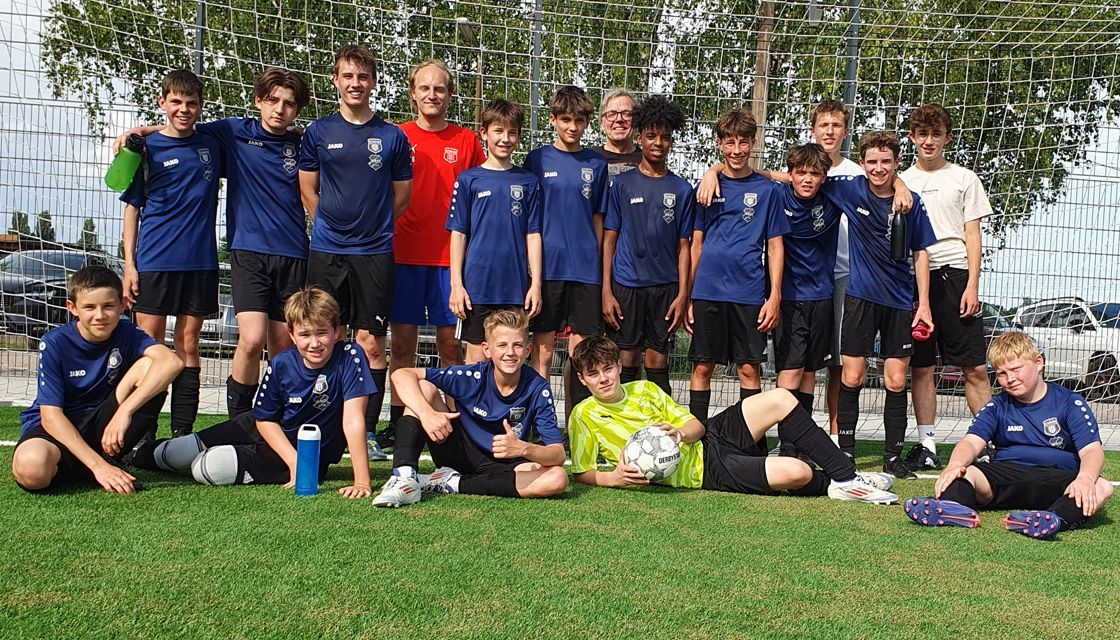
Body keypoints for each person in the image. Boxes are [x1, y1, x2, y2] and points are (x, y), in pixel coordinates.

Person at [115, 67, 312, 420]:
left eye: (289, 103)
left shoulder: (302, 143)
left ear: (297, 110)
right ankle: (233, 420)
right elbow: (180, 128)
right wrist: (139, 131)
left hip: (291, 252)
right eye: (273, 100)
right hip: (243, 252)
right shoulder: (233, 132)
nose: (280, 109)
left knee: (282, 345)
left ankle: (275, 421)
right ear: (258, 101)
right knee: (248, 340)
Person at [568, 336, 898, 504]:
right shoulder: (583, 416)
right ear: (583, 379)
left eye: (608, 369)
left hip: (711, 436)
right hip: (704, 473)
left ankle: (848, 478)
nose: (603, 379)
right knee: (797, 471)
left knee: (782, 397)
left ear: (618, 366)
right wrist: (614, 479)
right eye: (593, 374)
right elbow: (582, 472)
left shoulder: (645, 389)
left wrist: (681, 434)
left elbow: (697, 426)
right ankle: (834, 486)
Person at [129, 287, 375, 497]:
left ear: (336, 331)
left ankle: (229, 457)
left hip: (306, 452)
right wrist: (293, 462)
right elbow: (265, 419)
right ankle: (134, 456)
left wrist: (362, 482)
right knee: (176, 453)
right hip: (263, 426)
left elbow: (353, 420)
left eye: (322, 333)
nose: (314, 343)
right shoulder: (282, 363)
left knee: (208, 468)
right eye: (304, 334)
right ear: (291, 335)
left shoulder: (350, 357)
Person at [298, 44, 413, 447]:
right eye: (347, 76)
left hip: (375, 253)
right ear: (336, 80)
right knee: (323, 337)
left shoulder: (392, 136)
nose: (355, 83)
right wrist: (331, 226)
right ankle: (324, 424)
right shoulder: (317, 132)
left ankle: (365, 432)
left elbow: (403, 197)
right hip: (327, 251)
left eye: (363, 76)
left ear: (374, 83)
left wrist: (372, 226)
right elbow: (308, 190)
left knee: (371, 344)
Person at [904, 331, 1113, 539]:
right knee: (964, 473)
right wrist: (954, 465)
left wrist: (1085, 478)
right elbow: (970, 442)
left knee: (1101, 487)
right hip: (1006, 475)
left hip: (1057, 478)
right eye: (1001, 373)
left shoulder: (1070, 402)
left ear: (1039, 363)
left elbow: (1091, 450)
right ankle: (952, 509)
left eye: (1016, 369)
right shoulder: (997, 406)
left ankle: (1052, 519)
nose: (1010, 379)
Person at [10, 266, 183, 493]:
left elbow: (172, 362)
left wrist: (124, 412)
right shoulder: (54, 343)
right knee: (32, 471)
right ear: (72, 308)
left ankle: (93, 463)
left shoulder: (127, 332)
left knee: (151, 365)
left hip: (104, 425)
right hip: (59, 428)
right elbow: (51, 417)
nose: (100, 315)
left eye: (108, 306)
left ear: (122, 305)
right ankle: (93, 467)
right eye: (90, 307)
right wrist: (98, 466)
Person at [823, 131, 937, 478]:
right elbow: (801, 177)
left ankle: (892, 457)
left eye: (886, 161)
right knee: (852, 376)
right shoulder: (850, 189)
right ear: (862, 163)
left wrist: (923, 304)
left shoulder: (911, 202)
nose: (878, 168)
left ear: (896, 163)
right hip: (860, 299)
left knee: (897, 381)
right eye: (872, 161)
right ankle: (846, 453)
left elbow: (920, 253)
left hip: (899, 302)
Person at [385, 59, 486, 449]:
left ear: (450, 94)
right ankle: (400, 424)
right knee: (403, 346)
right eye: (424, 88)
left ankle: (455, 421)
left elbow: (481, 194)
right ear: (413, 93)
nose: (432, 95)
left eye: (439, 88)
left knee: (450, 346)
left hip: (450, 261)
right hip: (404, 255)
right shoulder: (397, 136)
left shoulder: (467, 141)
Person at [372, 308, 568, 507]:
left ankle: (452, 483)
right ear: (487, 350)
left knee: (557, 478)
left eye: (517, 345)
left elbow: (558, 454)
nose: (510, 352)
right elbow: (401, 375)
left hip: (506, 462)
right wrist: (427, 414)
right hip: (458, 452)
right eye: (502, 345)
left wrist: (523, 448)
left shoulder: (537, 387)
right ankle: (404, 479)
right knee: (424, 388)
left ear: (527, 350)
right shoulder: (472, 376)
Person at [120, 69, 221, 439]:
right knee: (151, 348)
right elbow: (131, 209)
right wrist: (130, 265)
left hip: (200, 263)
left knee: (188, 345)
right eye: (175, 101)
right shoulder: (145, 149)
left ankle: (182, 434)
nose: (183, 109)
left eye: (191, 103)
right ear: (162, 102)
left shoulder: (212, 144)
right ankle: (141, 433)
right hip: (155, 262)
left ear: (201, 106)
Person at [901, 103, 994, 471]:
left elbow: (973, 235)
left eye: (935, 134)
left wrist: (972, 285)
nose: (929, 141)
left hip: (955, 277)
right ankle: (927, 445)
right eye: (922, 134)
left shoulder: (965, 178)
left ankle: (987, 443)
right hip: (915, 282)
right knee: (922, 367)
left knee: (975, 368)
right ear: (912, 137)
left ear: (947, 138)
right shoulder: (902, 180)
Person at [687, 109, 787, 425]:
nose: (736, 150)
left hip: (748, 292)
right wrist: (688, 296)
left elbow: (775, 246)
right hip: (708, 291)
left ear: (753, 143)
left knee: (748, 368)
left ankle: (749, 439)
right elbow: (696, 245)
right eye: (729, 142)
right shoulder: (706, 189)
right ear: (720, 143)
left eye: (743, 142)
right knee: (703, 366)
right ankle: (698, 438)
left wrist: (774, 296)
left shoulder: (768, 191)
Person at [524, 85, 609, 422]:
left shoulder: (596, 164)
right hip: (548, 269)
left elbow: (598, 218)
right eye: (566, 120)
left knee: (581, 354)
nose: (573, 127)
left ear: (587, 123)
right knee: (543, 352)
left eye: (579, 121)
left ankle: (578, 426)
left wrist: (597, 263)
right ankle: (542, 424)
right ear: (553, 119)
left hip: (585, 271)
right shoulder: (537, 160)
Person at [601, 95, 693, 399]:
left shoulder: (682, 189)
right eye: (651, 136)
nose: (658, 143)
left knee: (657, 360)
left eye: (665, 137)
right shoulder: (622, 184)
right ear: (639, 138)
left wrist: (683, 294)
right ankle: (623, 421)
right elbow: (610, 239)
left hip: (665, 288)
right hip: (626, 285)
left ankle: (661, 421)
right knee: (625, 359)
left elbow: (684, 246)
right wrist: (606, 291)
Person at [447, 99, 543, 364]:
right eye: (498, 131)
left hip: (514, 288)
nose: (505, 139)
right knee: (476, 361)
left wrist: (536, 284)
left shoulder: (528, 181)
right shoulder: (469, 180)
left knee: (510, 360)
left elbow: (533, 235)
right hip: (477, 288)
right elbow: (458, 234)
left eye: (512, 132)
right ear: (484, 133)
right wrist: (457, 285)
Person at [771, 143, 842, 458]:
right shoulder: (777, 195)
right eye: (801, 173)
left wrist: (901, 186)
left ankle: (801, 442)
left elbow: (875, 182)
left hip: (822, 297)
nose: (808, 179)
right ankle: (786, 443)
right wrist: (715, 171)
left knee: (811, 371)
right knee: (790, 370)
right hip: (789, 298)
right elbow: (749, 174)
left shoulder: (834, 196)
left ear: (824, 177)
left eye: (815, 173)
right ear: (790, 174)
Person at [592, 88, 642, 176]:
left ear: (636, 120)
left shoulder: (648, 162)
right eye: (612, 114)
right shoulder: (590, 160)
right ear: (602, 122)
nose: (619, 119)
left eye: (627, 114)